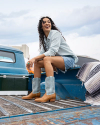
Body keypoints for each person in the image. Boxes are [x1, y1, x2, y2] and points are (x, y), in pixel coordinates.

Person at [22, 16, 78, 102]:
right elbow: (41, 53)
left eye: (49, 22)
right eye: (44, 22)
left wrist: (34, 58)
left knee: (47, 59)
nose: (47, 23)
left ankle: (50, 92)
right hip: (57, 60)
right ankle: (36, 92)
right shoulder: (45, 38)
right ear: (41, 26)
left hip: (68, 59)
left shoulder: (55, 33)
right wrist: (32, 60)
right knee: (37, 62)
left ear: (51, 24)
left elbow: (52, 51)